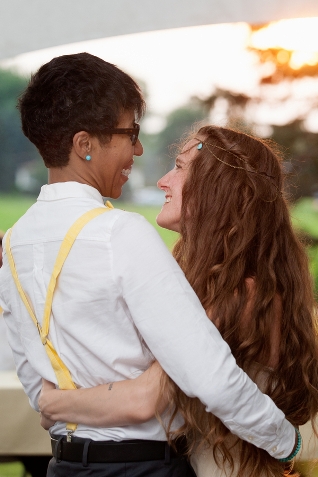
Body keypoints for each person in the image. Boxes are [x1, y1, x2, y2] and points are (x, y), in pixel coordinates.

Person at [0, 53, 300, 477]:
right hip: (142, 467)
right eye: (130, 133)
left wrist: (64, 406)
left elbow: (38, 389)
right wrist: (290, 444)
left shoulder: (14, 243)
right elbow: (209, 376)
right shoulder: (119, 233)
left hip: (64, 466)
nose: (139, 150)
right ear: (84, 145)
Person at [39, 126, 318, 477]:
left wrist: (54, 402)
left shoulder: (237, 297)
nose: (163, 181)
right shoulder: (212, 284)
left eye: (180, 167)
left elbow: (145, 397)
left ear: (219, 190)